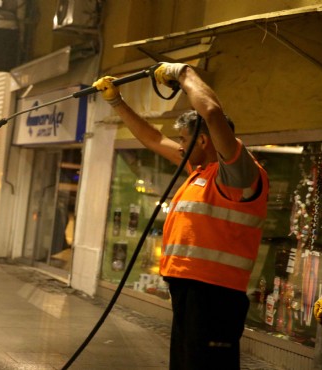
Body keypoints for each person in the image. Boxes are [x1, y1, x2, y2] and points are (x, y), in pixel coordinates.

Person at [93, 63, 269, 370]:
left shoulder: (237, 175)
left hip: (216, 295)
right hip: (191, 289)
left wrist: (184, 73)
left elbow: (212, 112)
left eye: (185, 139)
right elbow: (152, 139)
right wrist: (116, 102)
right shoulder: (200, 171)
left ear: (203, 141)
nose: (180, 146)